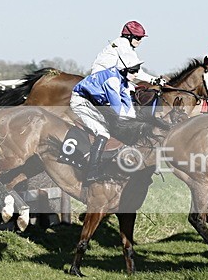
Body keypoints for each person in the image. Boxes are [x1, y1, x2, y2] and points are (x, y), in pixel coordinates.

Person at [71, 52, 142, 184]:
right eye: (134, 71)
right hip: (81, 102)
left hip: (94, 102)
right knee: (103, 133)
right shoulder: (112, 81)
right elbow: (117, 109)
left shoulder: (123, 81)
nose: (137, 74)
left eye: (137, 70)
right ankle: (92, 173)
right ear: (123, 70)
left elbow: (128, 109)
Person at [90, 20, 166, 86]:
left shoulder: (124, 44)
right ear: (129, 36)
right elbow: (136, 72)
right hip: (102, 79)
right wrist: (153, 80)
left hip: (104, 77)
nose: (140, 41)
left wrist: (153, 79)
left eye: (141, 38)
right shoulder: (123, 46)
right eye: (138, 38)